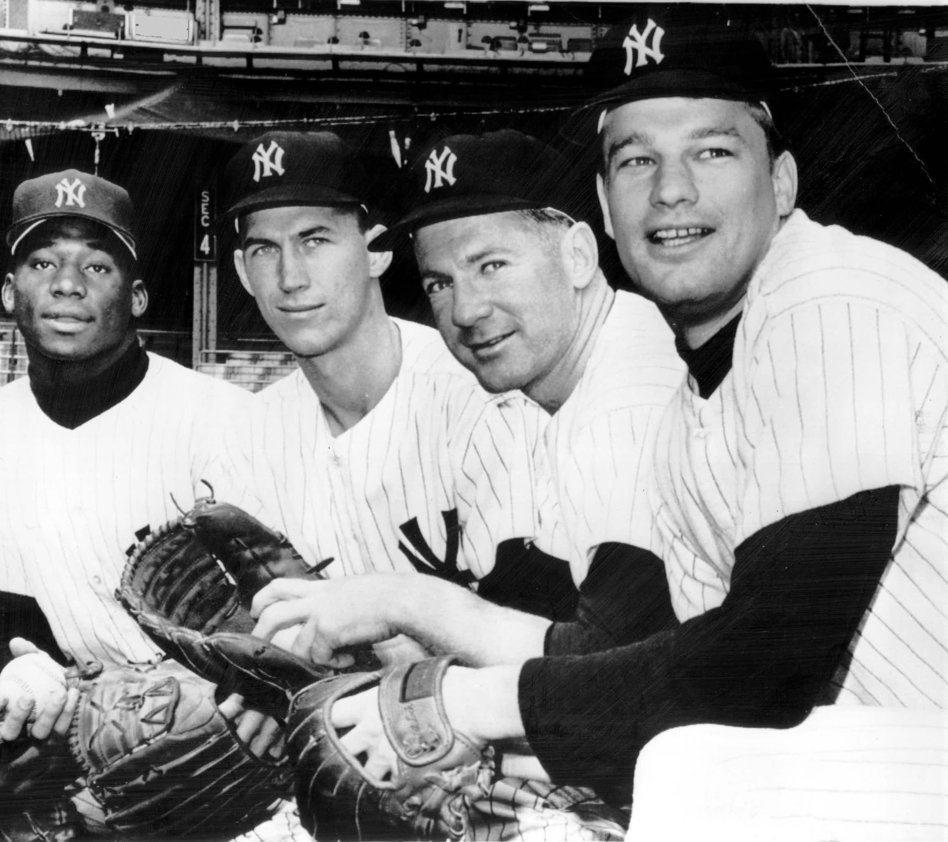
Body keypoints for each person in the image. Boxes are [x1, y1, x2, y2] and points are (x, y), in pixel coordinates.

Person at [257, 18, 948, 842]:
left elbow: (766, 664)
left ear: (783, 180)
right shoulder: (695, 399)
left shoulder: (831, 299)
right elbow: (665, 670)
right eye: (635, 161)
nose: (671, 190)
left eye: (712, 150)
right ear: (610, 211)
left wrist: (466, 703)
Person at [223, 131, 604, 840]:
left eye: (314, 240)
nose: (290, 278)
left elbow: (562, 645)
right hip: (365, 775)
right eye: (263, 250)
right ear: (243, 272)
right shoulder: (248, 437)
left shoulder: (486, 394)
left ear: (377, 250)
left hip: (537, 774)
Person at [251, 129, 685, 672]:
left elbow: (618, 669)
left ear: (577, 255)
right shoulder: (578, 386)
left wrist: (401, 602)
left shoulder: (627, 401)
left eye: (491, 265)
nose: (465, 310)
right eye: (440, 283)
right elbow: (554, 620)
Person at [0, 169, 280, 835]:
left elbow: (285, 604)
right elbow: (1, 618)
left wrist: (257, 695)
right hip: (89, 711)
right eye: (43, 262)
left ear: (137, 296)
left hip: (232, 715)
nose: (68, 283)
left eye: (97, 265)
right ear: (9, 291)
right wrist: (21, 675)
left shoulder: (224, 418)